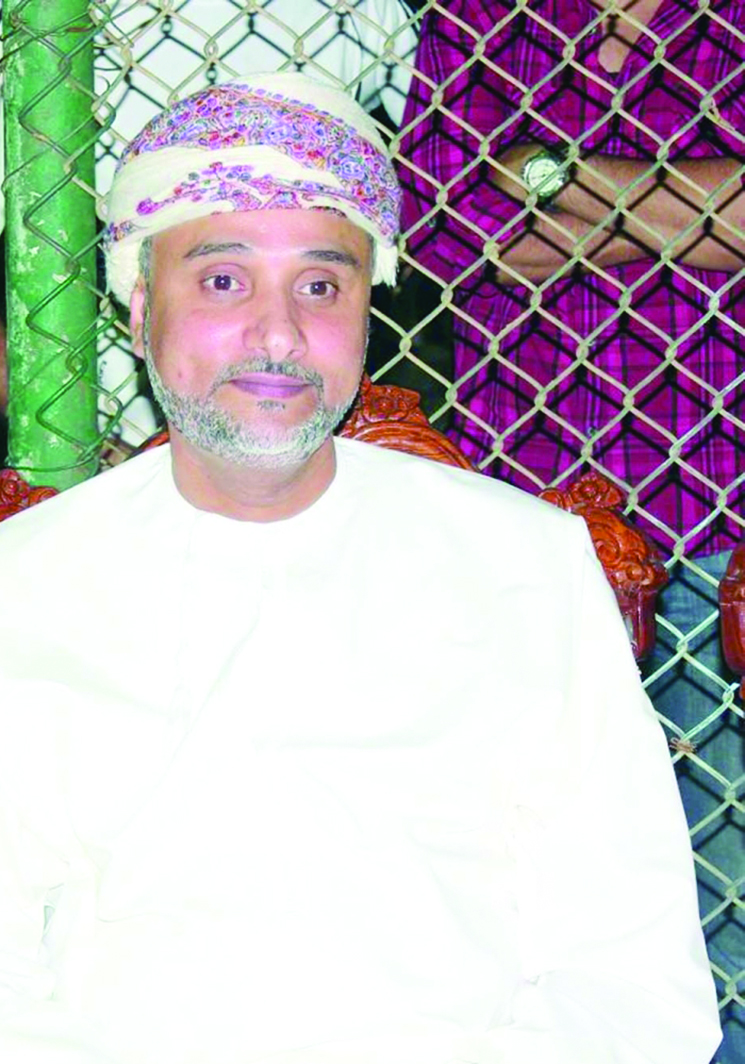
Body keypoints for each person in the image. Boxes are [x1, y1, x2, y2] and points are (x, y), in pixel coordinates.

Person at [0, 71, 720, 1064]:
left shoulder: (526, 567)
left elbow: (630, 977)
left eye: (321, 285)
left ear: (369, 311)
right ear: (139, 308)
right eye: (223, 280)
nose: (277, 332)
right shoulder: (9, 591)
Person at [398, 2, 745, 1055]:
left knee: (725, 880)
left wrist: (546, 173)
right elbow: (441, 231)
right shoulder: (481, 17)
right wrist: (693, 200)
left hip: (727, 517)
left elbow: (506, 208)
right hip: (526, 522)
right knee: (541, 876)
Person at [0, 0, 419, 445]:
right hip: (122, 417)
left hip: (314, 412)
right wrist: (73, 444)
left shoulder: (369, 9)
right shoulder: (44, 15)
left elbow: (443, 191)